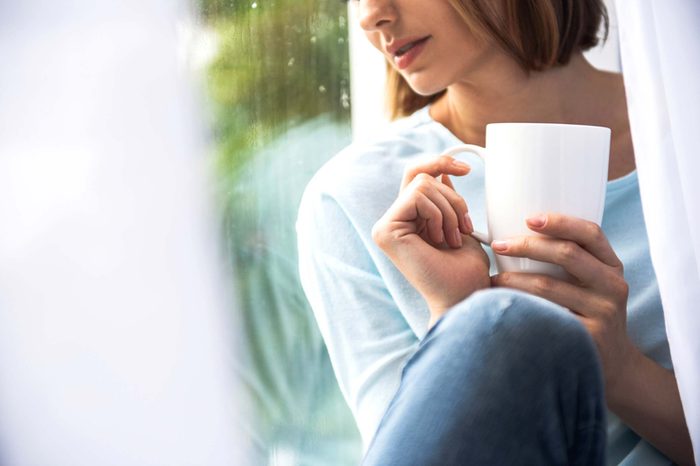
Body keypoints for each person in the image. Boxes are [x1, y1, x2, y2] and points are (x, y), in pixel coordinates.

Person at [296, 0, 694, 464]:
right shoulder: (356, 201)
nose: (370, 15)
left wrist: (623, 371)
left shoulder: (687, 140)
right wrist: (458, 314)